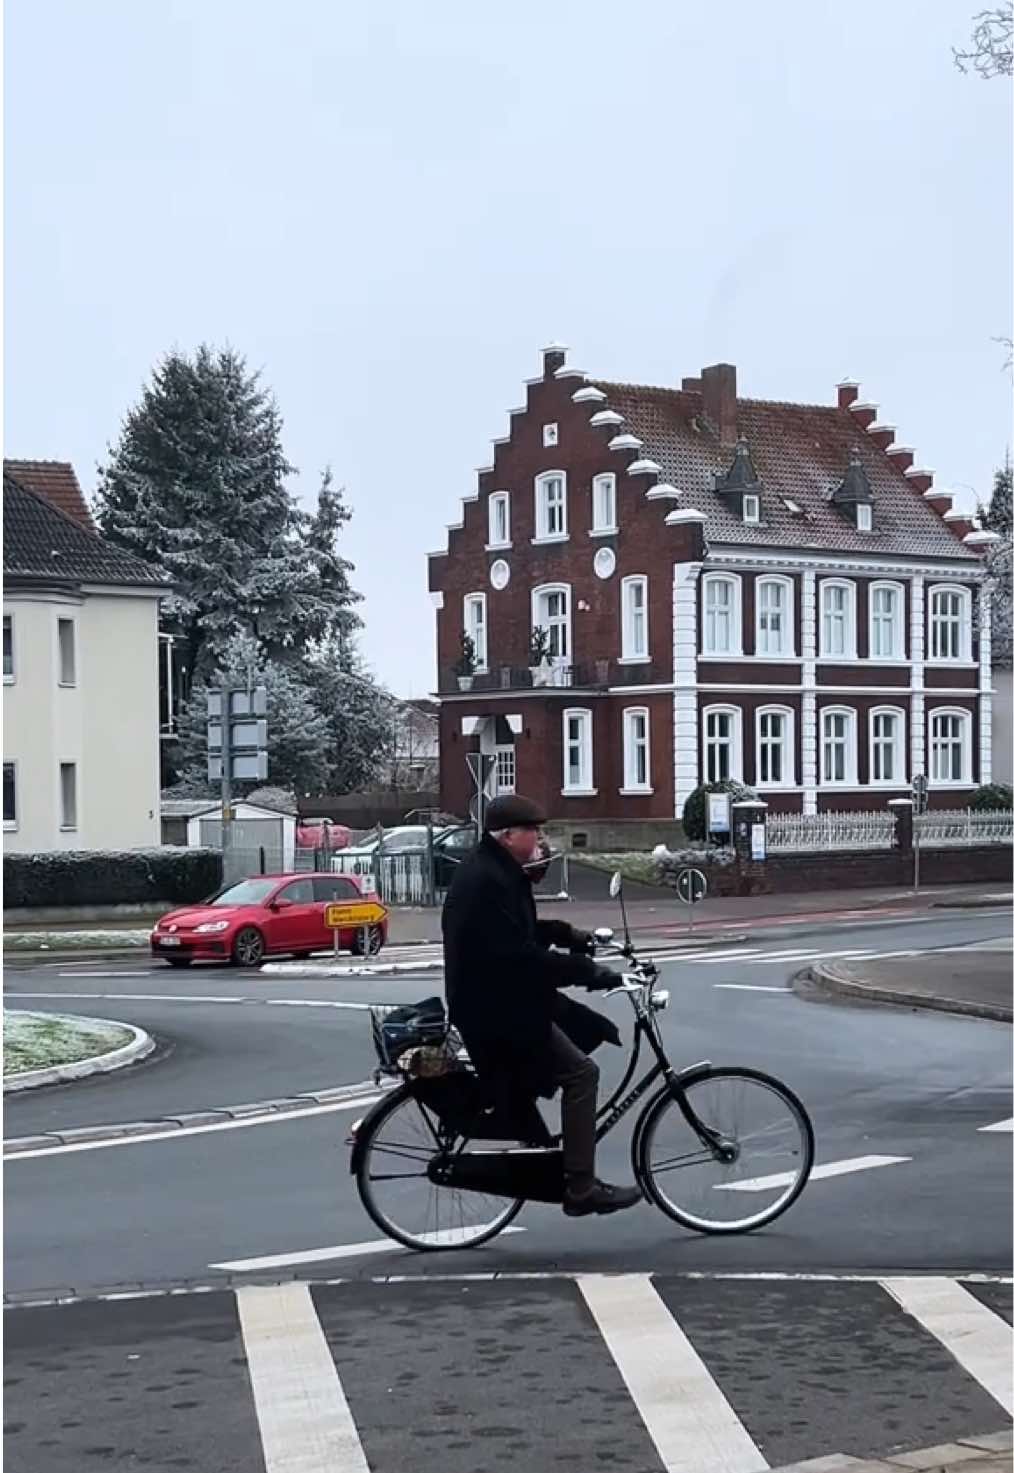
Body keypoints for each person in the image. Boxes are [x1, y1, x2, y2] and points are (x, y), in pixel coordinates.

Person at [442, 793, 641, 1217]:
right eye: (534, 830)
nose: (540, 839)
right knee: (581, 1074)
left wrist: (574, 937)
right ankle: (581, 1187)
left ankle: (541, 1145)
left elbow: (526, 930)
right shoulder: (489, 881)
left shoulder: (497, 871)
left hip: (500, 1000)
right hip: (496, 1010)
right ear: (509, 834)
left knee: (586, 1031)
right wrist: (589, 971)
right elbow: (521, 957)